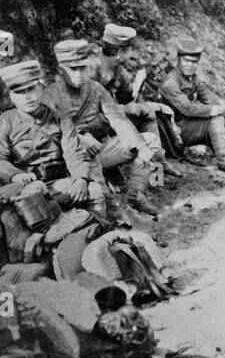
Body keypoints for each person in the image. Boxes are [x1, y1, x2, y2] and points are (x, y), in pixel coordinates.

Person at [46, 38, 158, 216]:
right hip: (73, 159)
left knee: (150, 142)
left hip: (102, 147)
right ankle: (112, 210)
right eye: (72, 69)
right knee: (89, 158)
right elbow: (46, 133)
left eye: (82, 68)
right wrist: (80, 138)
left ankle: (137, 194)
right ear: (61, 70)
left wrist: (141, 146)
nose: (79, 74)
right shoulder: (50, 95)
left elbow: (117, 119)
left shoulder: (96, 89)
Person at [0, 59, 108, 218]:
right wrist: (15, 174)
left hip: (58, 183)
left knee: (95, 192)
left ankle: (96, 231)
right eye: (20, 93)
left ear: (41, 89)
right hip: (27, 187)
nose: (27, 97)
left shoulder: (59, 117)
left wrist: (80, 179)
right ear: (12, 97)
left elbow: (74, 152)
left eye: (31, 89)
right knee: (35, 200)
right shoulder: (5, 122)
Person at [88, 22, 181, 171]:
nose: (132, 54)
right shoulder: (92, 69)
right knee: (141, 114)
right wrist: (123, 111)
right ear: (119, 52)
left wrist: (138, 82)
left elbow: (128, 98)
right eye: (129, 49)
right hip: (94, 133)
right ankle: (152, 168)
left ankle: (159, 164)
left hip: (109, 121)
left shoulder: (118, 69)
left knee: (147, 111)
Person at [159, 39, 225, 174]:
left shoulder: (193, 79)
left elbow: (209, 98)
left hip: (190, 124)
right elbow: (187, 108)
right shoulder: (171, 82)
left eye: (194, 62)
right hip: (176, 130)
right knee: (217, 117)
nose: (190, 65)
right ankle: (224, 160)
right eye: (186, 61)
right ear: (178, 59)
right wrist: (218, 110)